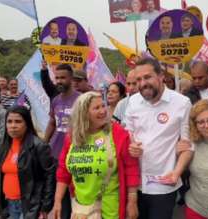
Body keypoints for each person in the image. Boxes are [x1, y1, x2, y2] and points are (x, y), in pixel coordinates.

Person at [53, 91, 140, 219]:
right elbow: (63, 172)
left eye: (103, 106)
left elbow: (131, 168)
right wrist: (58, 201)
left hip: (110, 209)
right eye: (96, 108)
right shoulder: (72, 137)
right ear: (83, 113)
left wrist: (132, 202)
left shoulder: (118, 133)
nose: (103, 111)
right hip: (81, 209)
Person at [125, 58, 193, 219]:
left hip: (164, 184)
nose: (142, 83)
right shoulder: (133, 102)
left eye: (147, 77)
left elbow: (188, 145)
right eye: (138, 80)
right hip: (135, 184)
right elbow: (128, 133)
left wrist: (176, 172)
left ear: (161, 76)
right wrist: (131, 145)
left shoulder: (182, 103)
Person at [0, 106, 57, 219]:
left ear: (27, 123)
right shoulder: (3, 146)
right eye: (9, 122)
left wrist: (45, 207)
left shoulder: (39, 146)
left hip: (30, 206)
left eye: (18, 121)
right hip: (9, 204)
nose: (13, 126)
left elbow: (50, 177)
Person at [44, 64, 79, 219]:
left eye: (62, 77)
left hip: (77, 156)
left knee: (77, 197)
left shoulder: (81, 99)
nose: (58, 81)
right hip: (57, 155)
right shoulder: (55, 100)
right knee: (62, 197)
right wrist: (44, 143)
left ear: (71, 79)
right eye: (56, 78)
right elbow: (52, 122)